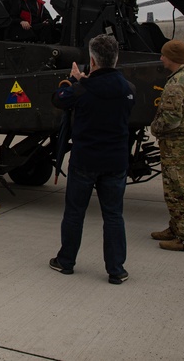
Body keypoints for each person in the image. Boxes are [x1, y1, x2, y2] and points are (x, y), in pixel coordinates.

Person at [49, 34, 136, 285]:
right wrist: (85, 81)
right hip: (116, 163)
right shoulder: (129, 90)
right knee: (113, 215)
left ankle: (66, 261)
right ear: (116, 59)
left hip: (85, 162)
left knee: (75, 213)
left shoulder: (80, 90)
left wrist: (73, 82)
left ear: (92, 61)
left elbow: (59, 99)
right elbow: (106, 92)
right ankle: (116, 269)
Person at [149, 39, 184, 253]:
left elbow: (171, 119)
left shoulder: (177, 83)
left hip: (176, 143)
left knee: (177, 190)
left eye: (164, 55)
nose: (161, 58)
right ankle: (176, 228)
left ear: (172, 58)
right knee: (182, 185)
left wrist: (155, 128)